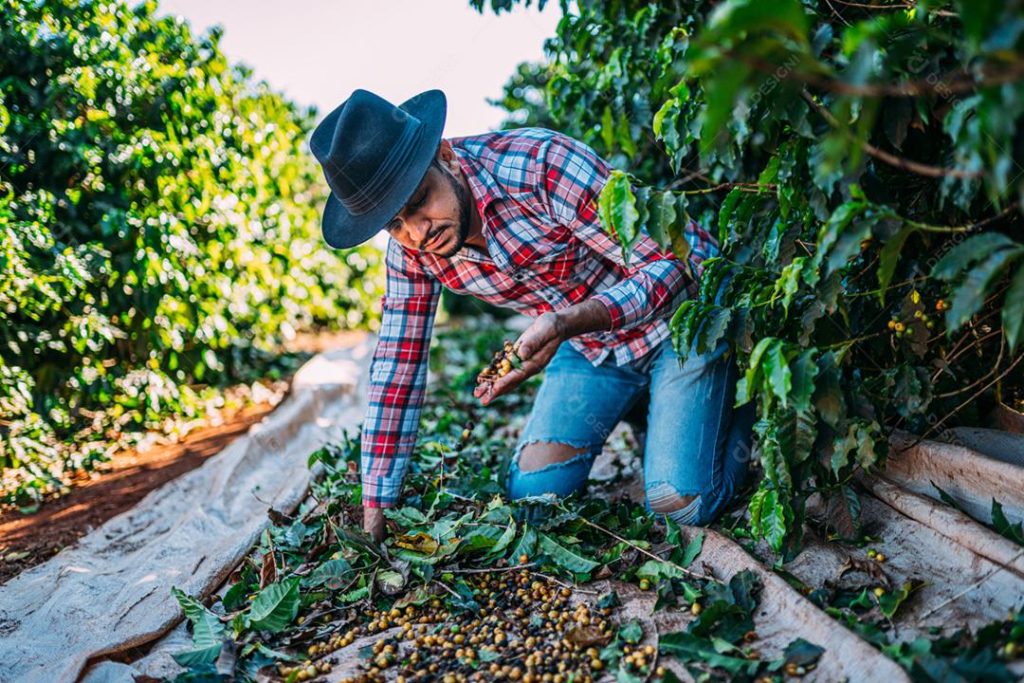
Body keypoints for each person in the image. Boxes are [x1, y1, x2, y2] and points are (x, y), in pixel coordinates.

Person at [310, 88, 755, 542]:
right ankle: (651, 406)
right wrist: (377, 507)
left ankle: (734, 394)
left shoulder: (540, 165)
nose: (418, 232)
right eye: (394, 224)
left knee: (679, 503)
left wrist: (564, 323)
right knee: (534, 499)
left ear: (446, 157)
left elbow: (670, 264)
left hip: (683, 317)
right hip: (594, 345)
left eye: (420, 200)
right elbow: (397, 366)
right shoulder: (412, 251)